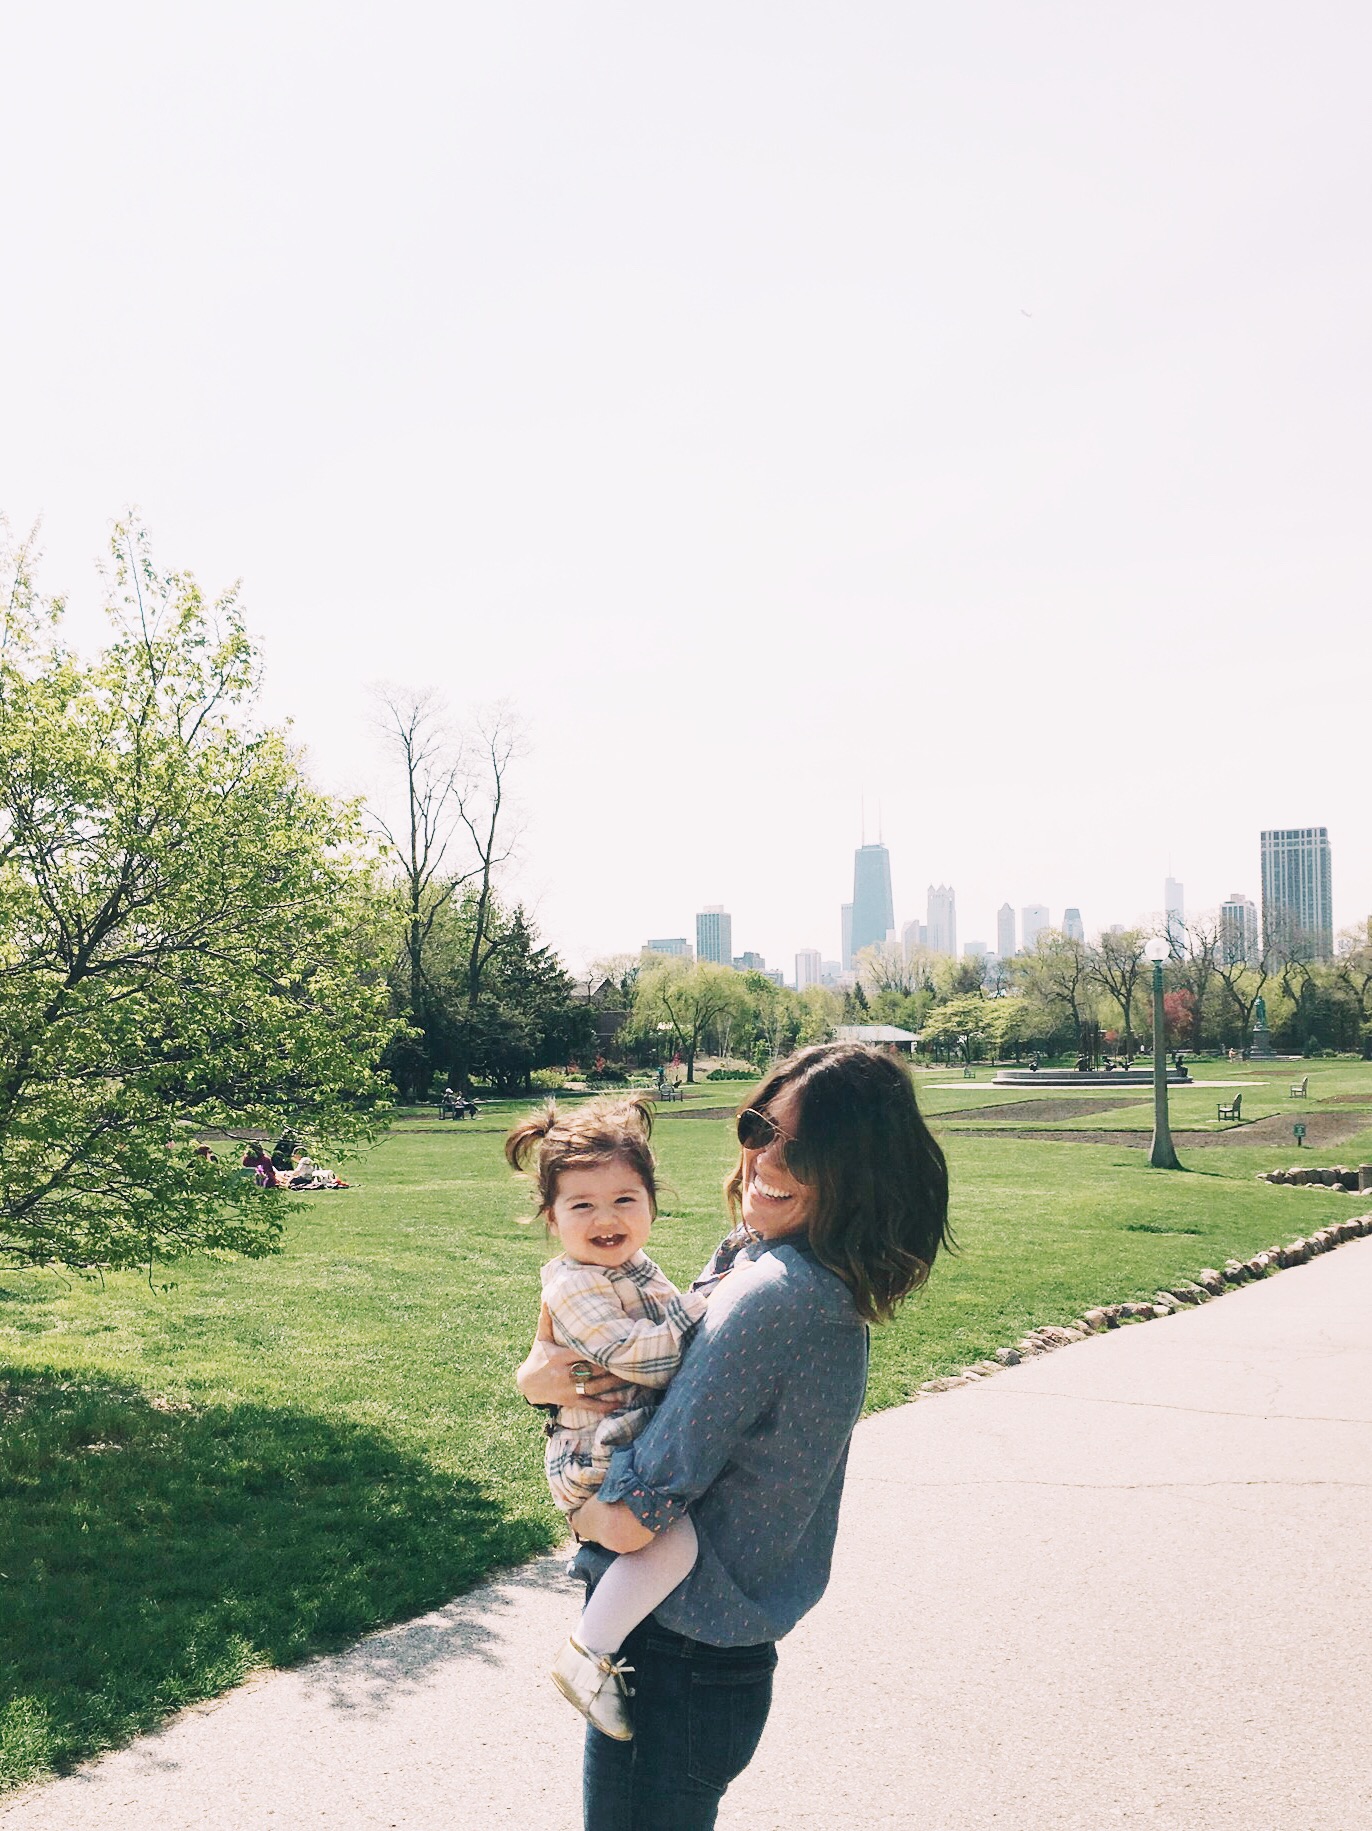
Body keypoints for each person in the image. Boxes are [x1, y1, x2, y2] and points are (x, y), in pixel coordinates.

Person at [516, 1042, 952, 1829]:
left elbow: (627, 1514)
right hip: (703, 1656)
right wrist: (546, 1382)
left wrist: (570, 1482)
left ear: (861, 1167)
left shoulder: (779, 1296)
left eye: (804, 1145)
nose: (765, 1157)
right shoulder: (775, 1261)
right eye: (759, 1126)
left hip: (679, 1657)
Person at [507, 1097, 710, 1741]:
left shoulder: (634, 1269)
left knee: (674, 1541)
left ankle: (594, 1642)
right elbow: (641, 1361)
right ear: (552, 1218)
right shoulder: (573, 1284)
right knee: (672, 1544)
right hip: (591, 1453)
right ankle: (587, 1651)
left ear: (652, 1203)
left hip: (616, 1439)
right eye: (582, 1205)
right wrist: (704, 1311)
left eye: (625, 1199)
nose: (606, 1219)